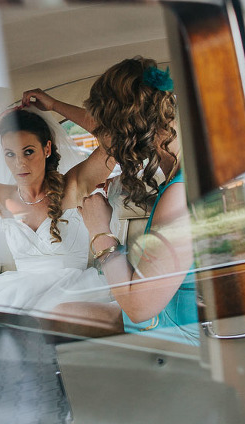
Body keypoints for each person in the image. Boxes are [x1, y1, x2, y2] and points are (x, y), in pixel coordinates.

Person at [21, 56, 199, 344]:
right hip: (170, 313)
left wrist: (100, 231)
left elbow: (139, 309)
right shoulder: (188, 169)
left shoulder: (178, 196)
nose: (101, 138)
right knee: (57, 315)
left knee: (50, 323)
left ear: (125, 128)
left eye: (105, 129)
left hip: (177, 334)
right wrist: (54, 105)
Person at [0, 107, 117, 317]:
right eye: (10, 154)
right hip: (19, 290)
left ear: (46, 149)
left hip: (73, 290)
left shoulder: (74, 186)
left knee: (42, 315)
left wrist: (54, 104)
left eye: (28, 152)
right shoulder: (1, 197)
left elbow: (115, 141)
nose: (19, 163)